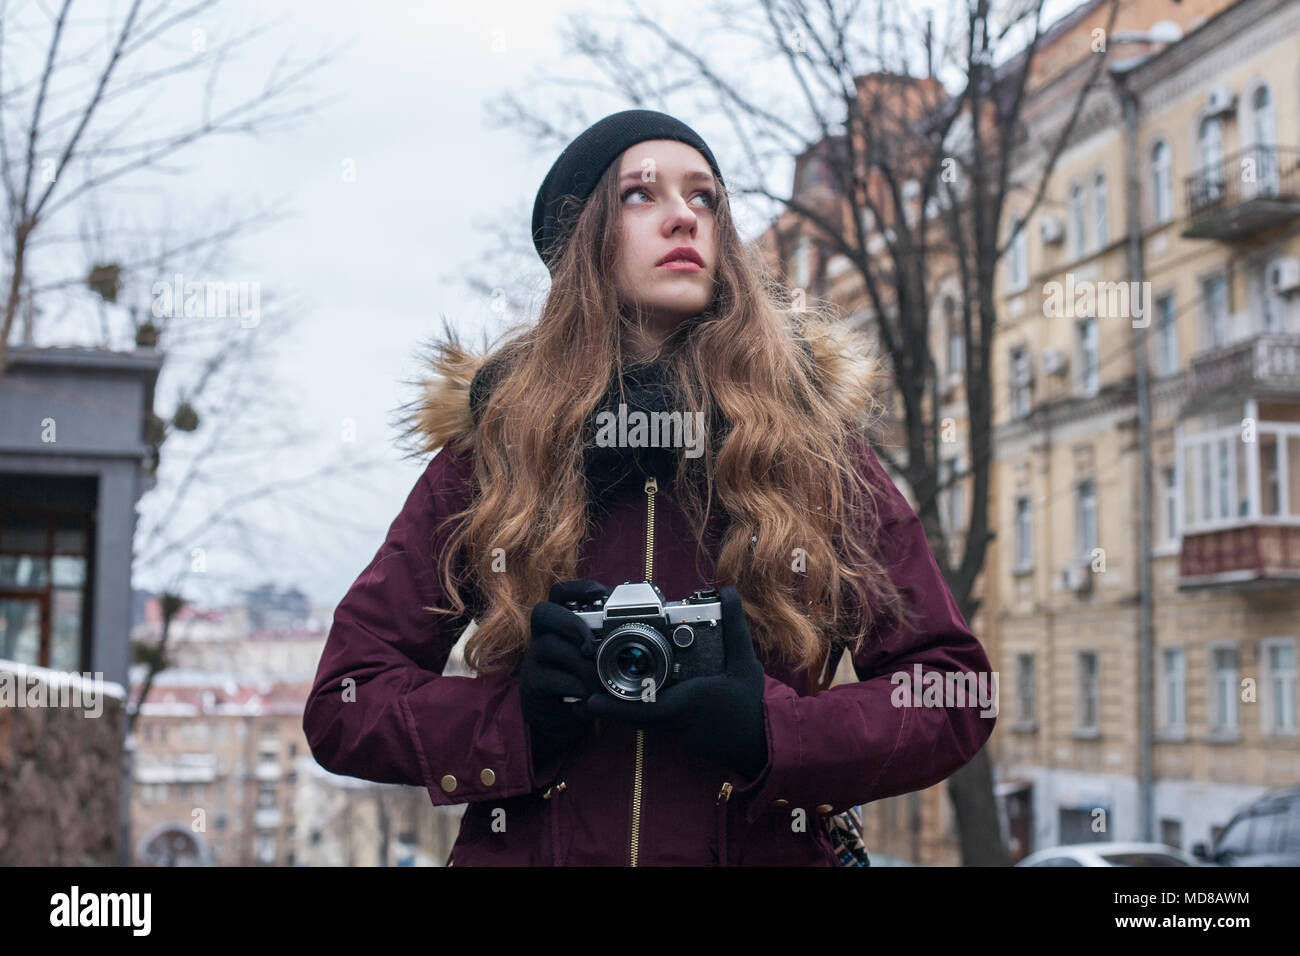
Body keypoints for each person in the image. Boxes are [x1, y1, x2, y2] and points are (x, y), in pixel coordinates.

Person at [303, 109, 996, 867]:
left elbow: (952, 691)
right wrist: (514, 722)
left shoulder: (813, 450)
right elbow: (346, 700)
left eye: (705, 199)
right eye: (642, 195)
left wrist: (775, 734)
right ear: (584, 244)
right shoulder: (496, 450)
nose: (683, 218)